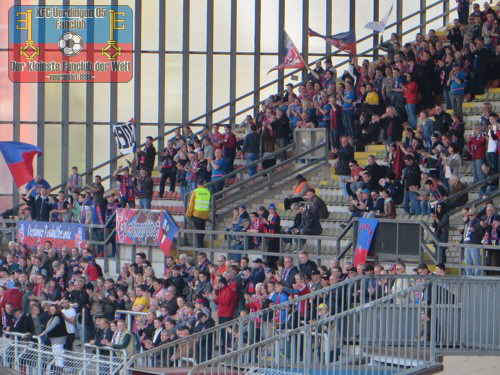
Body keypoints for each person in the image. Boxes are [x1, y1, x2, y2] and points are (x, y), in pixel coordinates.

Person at [36, 305, 68, 373]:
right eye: (51, 309)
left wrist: (43, 333)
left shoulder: (57, 317)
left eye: (53, 309)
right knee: (56, 357)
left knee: (59, 357)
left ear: (56, 310)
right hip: (54, 340)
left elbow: (51, 327)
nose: (52, 311)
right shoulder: (53, 317)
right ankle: (58, 371)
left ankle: (59, 371)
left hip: (58, 340)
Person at [186, 179, 211, 248]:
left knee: (198, 230)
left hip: (197, 213)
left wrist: (188, 214)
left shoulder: (195, 192)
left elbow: (191, 204)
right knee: (202, 229)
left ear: (197, 184)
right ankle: (201, 243)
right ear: (204, 183)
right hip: (205, 213)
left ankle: (200, 244)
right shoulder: (207, 192)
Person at [464, 207, 485, 276]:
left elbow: (482, 234)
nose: (470, 216)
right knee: (467, 262)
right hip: (467, 244)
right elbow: (466, 234)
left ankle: (477, 276)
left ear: (476, 214)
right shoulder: (468, 222)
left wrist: (474, 231)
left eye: (472, 215)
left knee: (476, 262)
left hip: (475, 244)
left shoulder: (479, 222)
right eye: (469, 215)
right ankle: (468, 276)